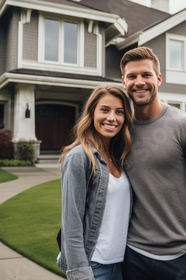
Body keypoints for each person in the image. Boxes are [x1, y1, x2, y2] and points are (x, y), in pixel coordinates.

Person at [120, 47, 186, 279]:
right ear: (124, 81)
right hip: (130, 255)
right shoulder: (120, 130)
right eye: (132, 76)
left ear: (158, 78)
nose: (139, 82)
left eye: (146, 75)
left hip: (179, 260)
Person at [57, 84, 133, 280]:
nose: (112, 118)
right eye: (105, 110)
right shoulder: (79, 157)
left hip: (121, 263)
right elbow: (71, 225)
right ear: (91, 114)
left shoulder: (120, 156)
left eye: (119, 112)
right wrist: (81, 274)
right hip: (94, 266)